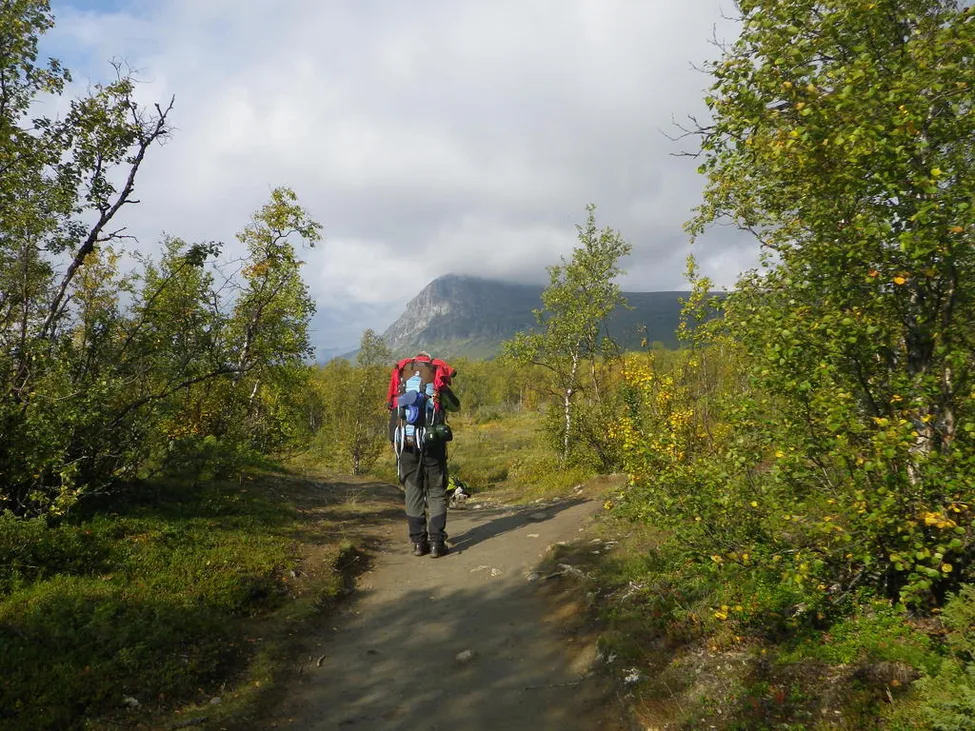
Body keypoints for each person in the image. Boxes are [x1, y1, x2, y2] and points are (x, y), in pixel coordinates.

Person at [387, 351, 458, 558]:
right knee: (436, 490)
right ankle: (437, 543)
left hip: (406, 443)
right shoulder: (437, 382)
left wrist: (396, 443)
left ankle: (419, 543)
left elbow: (392, 410)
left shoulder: (401, 383)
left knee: (413, 490)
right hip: (432, 442)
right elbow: (455, 406)